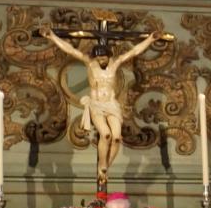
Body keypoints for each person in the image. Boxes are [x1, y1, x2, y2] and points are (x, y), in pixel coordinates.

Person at [40, 26, 163, 186]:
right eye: (99, 58)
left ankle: (105, 167)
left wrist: (151, 39)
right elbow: (70, 50)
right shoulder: (90, 64)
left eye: (104, 58)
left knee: (117, 137)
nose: (101, 61)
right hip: (97, 105)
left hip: (111, 104)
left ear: (109, 56)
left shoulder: (115, 63)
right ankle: (102, 167)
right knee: (105, 135)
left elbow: (134, 52)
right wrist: (51, 36)